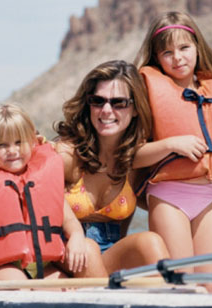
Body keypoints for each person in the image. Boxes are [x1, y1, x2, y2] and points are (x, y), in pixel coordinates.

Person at [133, 11, 212, 292]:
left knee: (208, 288)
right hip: (169, 197)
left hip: (207, 197)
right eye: (167, 52)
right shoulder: (148, 93)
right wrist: (171, 144)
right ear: (156, 58)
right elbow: (132, 156)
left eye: (184, 48)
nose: (178, 58)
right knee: (183, 287)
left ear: (198, 47)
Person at [0, 103, 107, 290]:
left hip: (46, 264)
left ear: (33, 141)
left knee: (85, 255)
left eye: (19, 142)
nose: (12, 150)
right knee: (16, 285)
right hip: (7, 266)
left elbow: (71, 224)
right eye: (2, 145)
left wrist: (77, 237)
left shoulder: (46, 183)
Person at [53, 60, 170, 274]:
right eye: (98, 101)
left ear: (135, 109)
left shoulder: (135, 161)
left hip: (110, 251)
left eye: (119, 103)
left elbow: (161, 198)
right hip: (67, 249)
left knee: (150, 242)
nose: (106, 110)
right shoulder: (68, 155)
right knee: (88, 250)